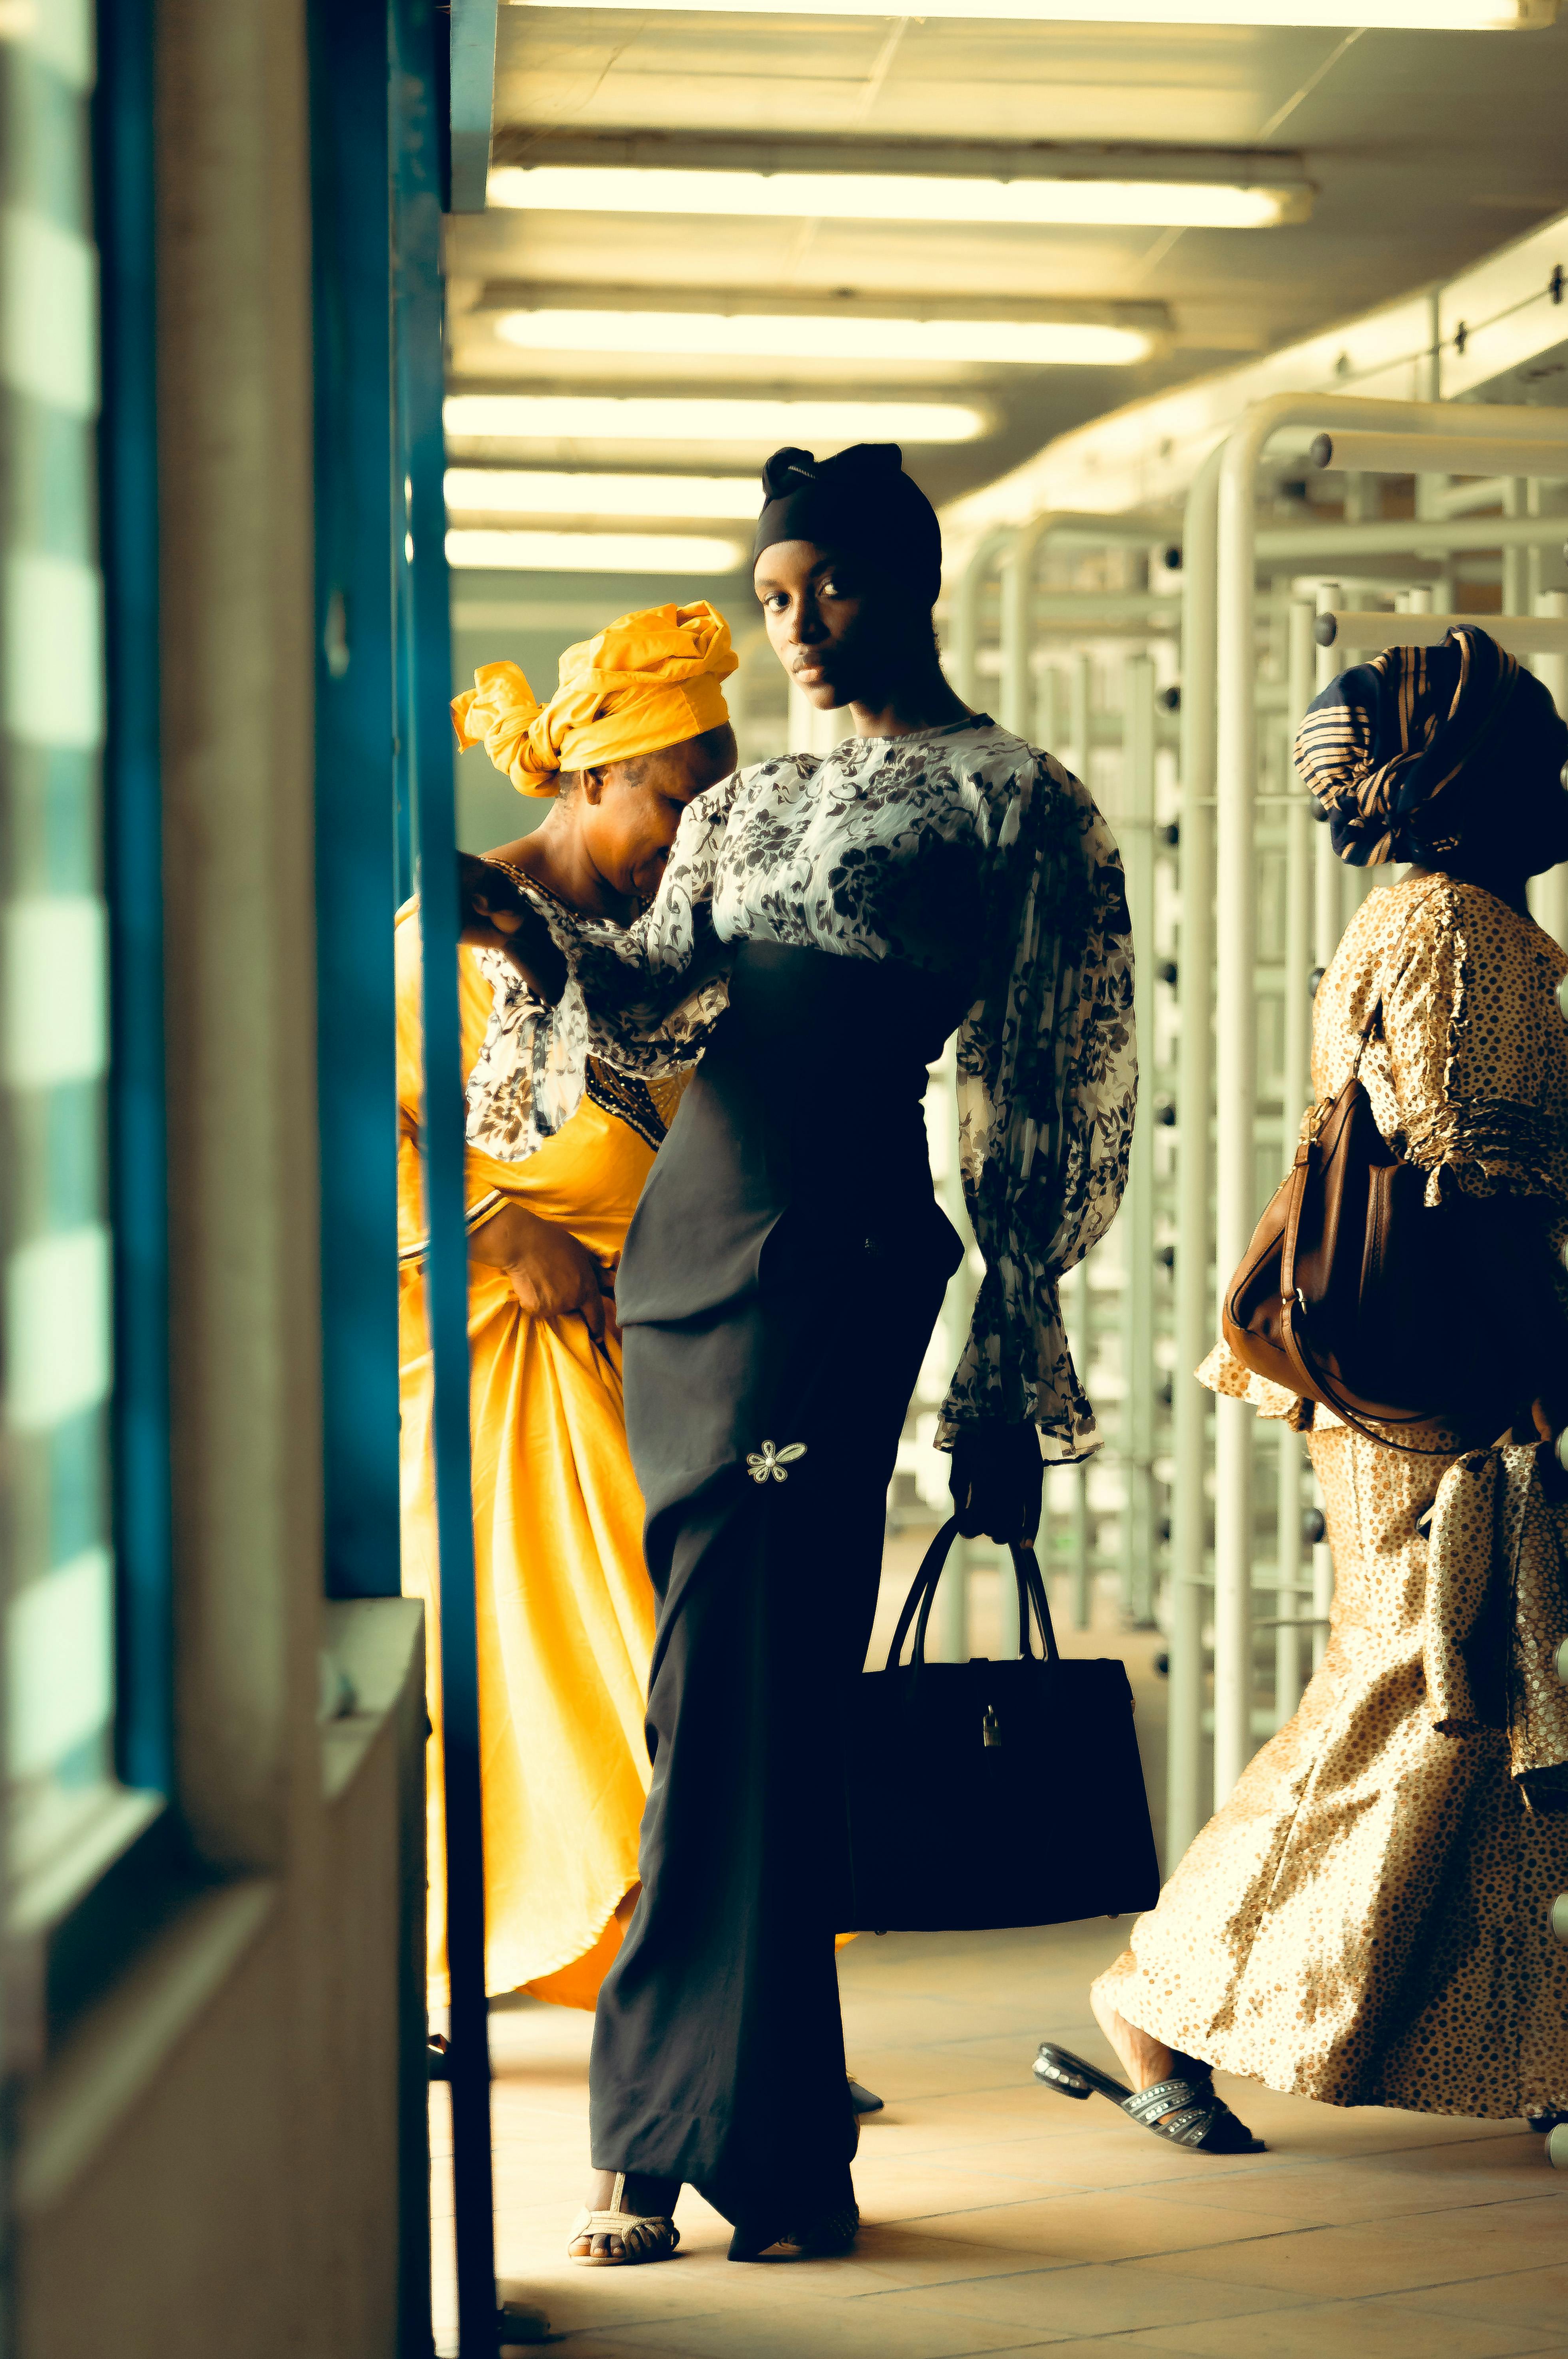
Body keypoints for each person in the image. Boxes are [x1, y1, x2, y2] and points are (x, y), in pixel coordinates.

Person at [460, 443, 1137, 2263]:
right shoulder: (747, 805)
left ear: (906, 580)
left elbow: (1048, 1082)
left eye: (824, 588)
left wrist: (1015, 1331)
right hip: (687, 1259)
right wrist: (518, 928)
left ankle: (671, 2141)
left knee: (742, 1697)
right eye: (773, 600)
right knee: (713, 1699)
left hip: (837, 1259)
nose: (799, 630)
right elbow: (653, 1000)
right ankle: (749, 2147)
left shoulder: (1018, 797)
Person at [1036, 624, 1568, 2155]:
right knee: (1414, 1697)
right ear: (1458, 778)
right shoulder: (1451, 930)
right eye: (1531, 740)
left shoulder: (1453, 922)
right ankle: (1157, 1991)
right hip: (1458, 1401)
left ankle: (1531, 2050)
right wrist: (1539, 1380)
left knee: (1484, 1708)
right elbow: (1466, 1186)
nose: (1557, 767)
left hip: (1451, 1392)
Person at [398, 601, 736, 2020]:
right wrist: (506, 1225)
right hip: (506, 1371)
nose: (693, 833)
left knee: (693, 1692)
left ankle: (708, 2011)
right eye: (673, 797)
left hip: (661, 1358)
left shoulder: (663, 946)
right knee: (622, 1692)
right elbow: (339, 1120)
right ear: (594, 776)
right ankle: (680, 2007)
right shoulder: (464, 932)